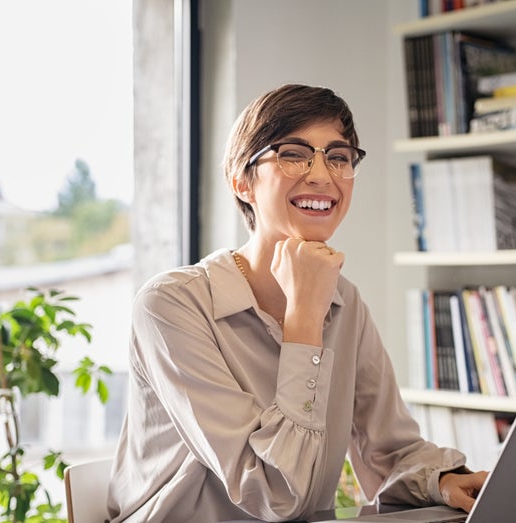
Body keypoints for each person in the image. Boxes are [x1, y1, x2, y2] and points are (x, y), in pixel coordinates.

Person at [107, 84, 487, 523]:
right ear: (241, 181)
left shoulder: (345, 302)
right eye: (294, 153)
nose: (323, 175)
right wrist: (304, 317)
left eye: (339, 157)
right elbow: (273, 497)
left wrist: (441, 480)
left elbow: (387, 451)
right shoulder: (170, 306)